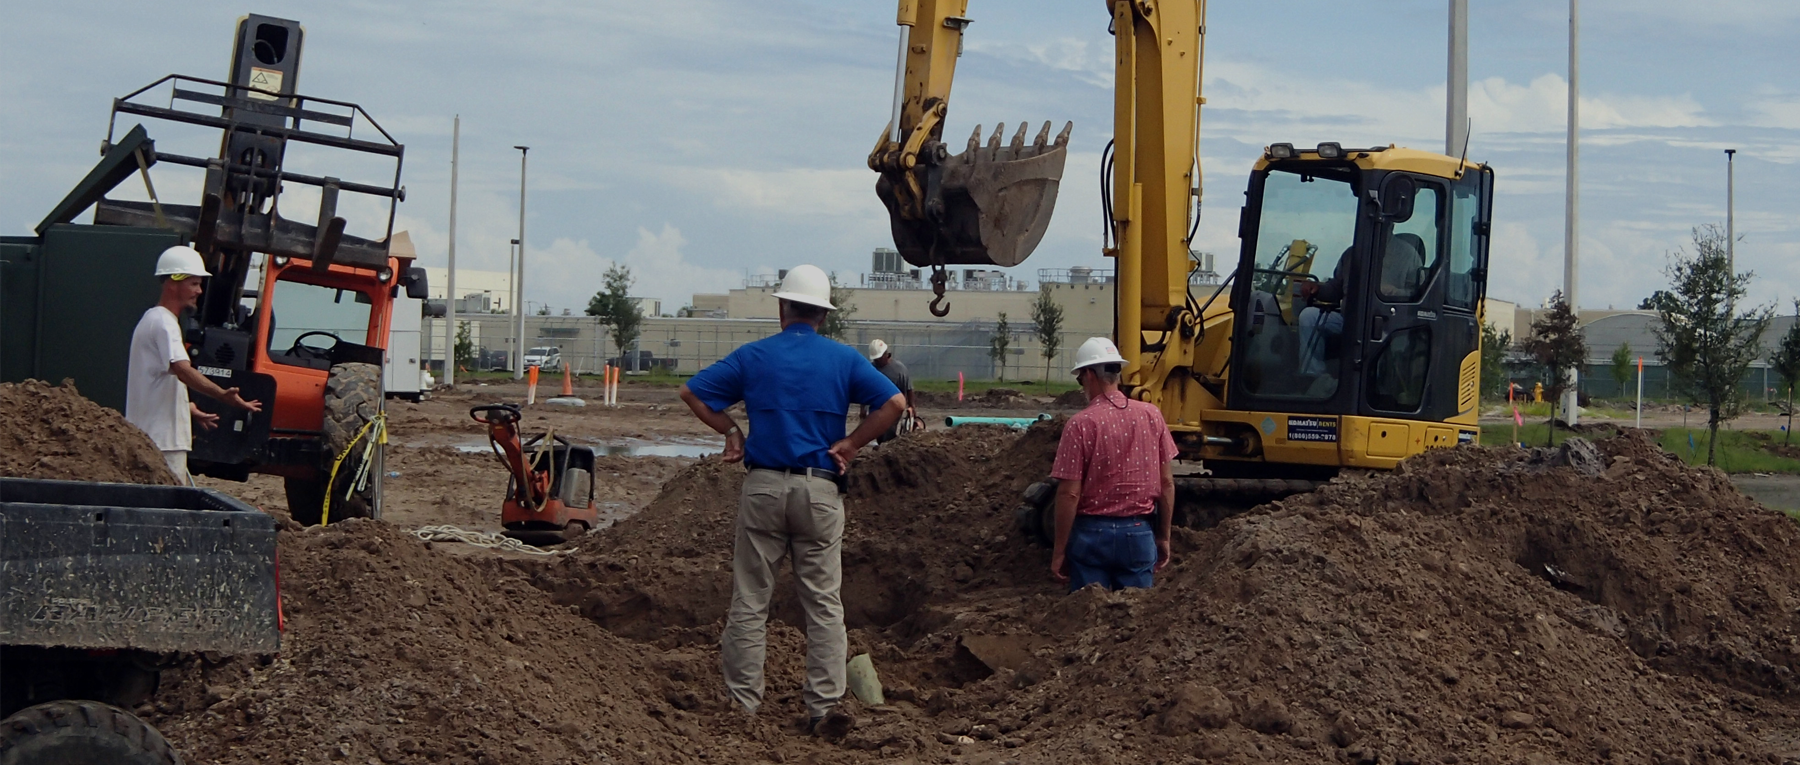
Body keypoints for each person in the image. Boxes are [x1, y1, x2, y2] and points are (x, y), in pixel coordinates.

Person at [678, 263, 905, 736]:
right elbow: (895, 404)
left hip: (762, 485)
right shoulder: (842, 360)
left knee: (750, 600)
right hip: (820, 490)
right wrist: (851, 444)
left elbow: (692, 392)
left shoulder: (754, 356)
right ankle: (824, 708)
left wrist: (731, 431)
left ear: (782, 308)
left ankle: (743, 706)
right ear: (823, 315)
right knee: (823, 605)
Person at [1048, 337, 1177, 591]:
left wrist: (1059, 551)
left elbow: (1069, 493)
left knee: (1088, 615)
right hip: (1139, 531)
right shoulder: (1152, 415)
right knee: (1134, 618)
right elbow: (1166, 483)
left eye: (1080, 378)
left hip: (1091, 536)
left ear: (1088, 374)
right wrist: (1163, 536)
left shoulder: (1080, 424)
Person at [126, 246, 263, 486]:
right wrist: (223, 395)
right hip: (164, 443)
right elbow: (183, 371)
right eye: (194, 284)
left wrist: (185, 407)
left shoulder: (152, 320)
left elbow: (153, 381)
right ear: (173, 283)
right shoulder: (165, 324)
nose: (199, 291)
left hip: (154, 439)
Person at [864, 339, 916, 442]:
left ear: (886, 354)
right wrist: (863, 408)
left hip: (894, 406)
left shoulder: (899, 370)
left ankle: (887, 449)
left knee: (887, 431)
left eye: (879, 358)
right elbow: (865, 388)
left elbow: (909, 388)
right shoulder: (871, 368)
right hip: (876, 405)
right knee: (878, 432)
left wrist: (911, 406)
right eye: (875, 359)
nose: (877, 361)